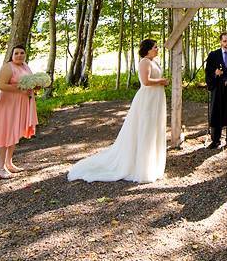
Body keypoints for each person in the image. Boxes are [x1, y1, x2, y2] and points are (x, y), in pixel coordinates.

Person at [67, 38, 167, 183]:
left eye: (157, 47)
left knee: (153, 129)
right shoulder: (144, 62)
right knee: (146, 128)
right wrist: (162, 81)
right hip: (147, 99)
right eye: (155, 47)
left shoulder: (154, 62)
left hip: (156, 98)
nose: (157, 49)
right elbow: (145, 81)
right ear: (147, 49)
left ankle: (151, 164)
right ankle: (142, 168)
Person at [0, 44, 39, 178]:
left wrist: (36, 86)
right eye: (16, 53)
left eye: (22, 53)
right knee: (5, 133)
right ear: (12, 55)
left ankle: (9, 163)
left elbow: (30, 82)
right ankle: (1, 167)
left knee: (14, 132)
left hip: (21, 104)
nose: (19, 55)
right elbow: (2, 86)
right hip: (8, 104)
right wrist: (20, 89)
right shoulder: (8, 67)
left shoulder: (25, 66)